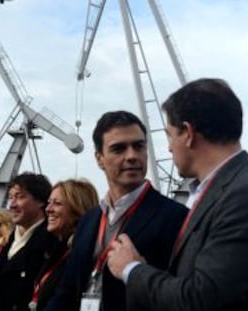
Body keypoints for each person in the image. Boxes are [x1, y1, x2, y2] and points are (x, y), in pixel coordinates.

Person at [107, 78, 248, 311]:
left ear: (188, 133)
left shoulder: (246, 196)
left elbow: (199, 299)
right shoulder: (229, 189)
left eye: (170, 135)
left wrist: (131, 269)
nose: (169, 148)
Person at [44, 110, 188, 311]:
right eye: (119, 149)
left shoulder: (176, 218)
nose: (132, 156)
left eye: (139, 146)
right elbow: (67, 292)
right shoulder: (88, 221)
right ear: (99, 158)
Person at [30, 179, 99, 311]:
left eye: (57, 203)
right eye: (49, 203)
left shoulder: (85, 255)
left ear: (77, 209)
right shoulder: (59, 250)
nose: (48, 209)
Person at [0, 173, 57, 311]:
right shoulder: (7, 244)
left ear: (40, 201)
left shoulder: (52, 245)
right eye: (10, 197)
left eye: (20, 197)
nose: (12, 204)